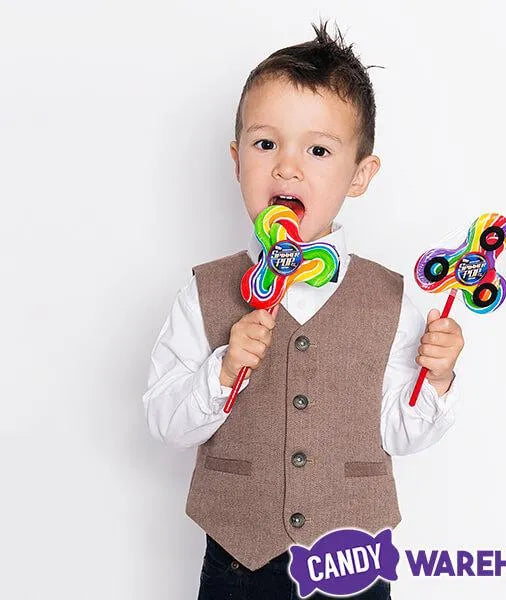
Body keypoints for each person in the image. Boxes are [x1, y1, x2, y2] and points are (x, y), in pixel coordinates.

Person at [142, 19, 464, 600]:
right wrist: (222, 369)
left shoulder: (393, 299)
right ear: (237, 159)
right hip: (238, 563)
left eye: (317, 150)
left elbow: (400, 432)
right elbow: (166, 421)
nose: (287, 166)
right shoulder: (205, 291)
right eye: (266, 144)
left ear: (360, 175)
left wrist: (435, 379)